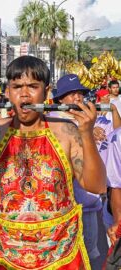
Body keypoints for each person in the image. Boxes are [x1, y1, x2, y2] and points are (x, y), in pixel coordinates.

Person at [0, 55, 106, 269]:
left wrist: (86, 134)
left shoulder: (67, 132)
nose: (24, 93)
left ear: (46, 91)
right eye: (17, 86)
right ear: (7, 92)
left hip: (60, 257)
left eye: (33, 86)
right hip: (2, 256)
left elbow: (96, 185)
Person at [50, 74, 104, 264]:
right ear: (60, 99)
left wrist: (89, 131)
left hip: (87, 203)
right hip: (63, 208)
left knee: (87, 256)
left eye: (80, 93)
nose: (77, 98)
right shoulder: (54, 121)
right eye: (71, 94)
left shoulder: (85, 119)